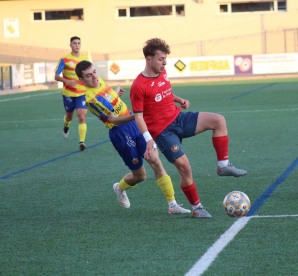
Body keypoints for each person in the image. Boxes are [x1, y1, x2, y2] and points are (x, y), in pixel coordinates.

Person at [130, 38, 247, 218]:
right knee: (185, 168)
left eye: (165, 58)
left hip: (179, 118)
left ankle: (223, 166)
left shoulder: (162, 71)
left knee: (219, 121)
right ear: (149, 59)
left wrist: (178, 99)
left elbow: (164, 92)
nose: (165, 62)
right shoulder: (138, 85)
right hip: (163, 132)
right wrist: (148, 139)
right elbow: (138, 116)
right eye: (161, 59)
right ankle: (197, 208)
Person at [74, 60, 190, 214]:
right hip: (121, 133)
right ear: (82, 80)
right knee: (140, 176)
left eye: (94, 72)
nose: (94, 77)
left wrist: (115, 92)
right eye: (89, 76)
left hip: (135, 123)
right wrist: (138, 115)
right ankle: (119, 188)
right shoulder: (91, 100)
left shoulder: (99, 81)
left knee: (155, 161)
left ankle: (173, 204)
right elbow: (113, 119)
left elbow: (109, 97)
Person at [55, 36, 89, 151]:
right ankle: (66, 126)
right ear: (70, 45)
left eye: (79, 43)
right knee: (69, 117)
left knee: (82, 116)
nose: (77, 45)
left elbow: (89, 74)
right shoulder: (64, 59)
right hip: (68, 94)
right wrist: (67, 81)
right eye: (74, 43)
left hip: (82, 94)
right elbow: (56, 76)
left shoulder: (85, 59)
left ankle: (82, 142)